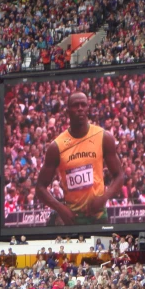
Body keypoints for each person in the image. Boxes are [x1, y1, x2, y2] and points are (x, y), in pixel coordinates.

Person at [36, 92, 124, 225]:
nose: (80, 108)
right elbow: (40, 188)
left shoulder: (103, 137)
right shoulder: (56, 146)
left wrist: (104, 197)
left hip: (98, 217)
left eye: (83, 105)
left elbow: (119, 175)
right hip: (73, 219)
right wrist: (60, 208)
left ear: (88, 108)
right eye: (75, 105)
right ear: (68, 111)